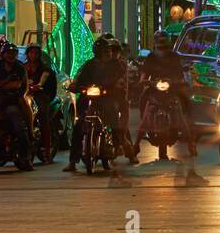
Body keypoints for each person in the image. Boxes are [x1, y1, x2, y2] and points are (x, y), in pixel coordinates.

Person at [66, 37, 134, 171]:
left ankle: (118, 143)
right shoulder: (89, 65)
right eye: (105, 51)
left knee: (114, 116)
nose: (108, 53)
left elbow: (120, 77)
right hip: (89, 98)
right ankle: (73, 161)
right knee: (79, 126)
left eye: (109, 50)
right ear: (98, 52)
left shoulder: (116, 65)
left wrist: (116, 85)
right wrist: (75, 85)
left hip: (108, 97)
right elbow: (79, 77)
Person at [134, 31, 197, 157]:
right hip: (154, 90)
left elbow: (179, 74)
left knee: (182, 112)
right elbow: (145, 73)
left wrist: (179, 83)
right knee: (145, 112)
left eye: (164, 43)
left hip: (172, 89)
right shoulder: (151, 57)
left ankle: (191, 144)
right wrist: (142, 82)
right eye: (159, 43)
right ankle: (135, 145)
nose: (161, 46)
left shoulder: (174, 56)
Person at [0, 39, 31, 164]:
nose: (11, 56)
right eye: (8, 53)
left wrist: (1, 85)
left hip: (13, 102)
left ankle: (26, 158)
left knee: (18, 127)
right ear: (3, 54)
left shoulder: (19, 68)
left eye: (13, 53)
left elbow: (16, 85)